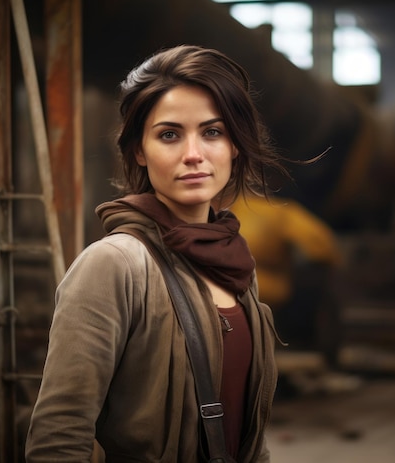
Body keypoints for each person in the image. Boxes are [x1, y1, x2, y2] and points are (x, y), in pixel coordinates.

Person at [25, 45, 312, 462]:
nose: (193, 154)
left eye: (212, 132)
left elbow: (248, 435)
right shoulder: (114, 265)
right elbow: (58, 436)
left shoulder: (234, 262)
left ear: (234, 145)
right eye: (169, 134)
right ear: (140, 151)